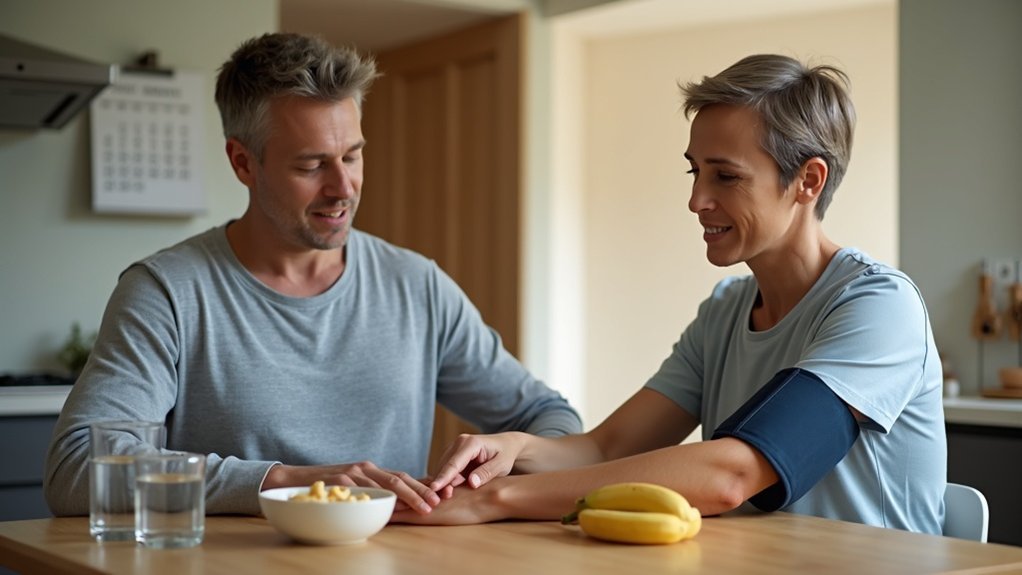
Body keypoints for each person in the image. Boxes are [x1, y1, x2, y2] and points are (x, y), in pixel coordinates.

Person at [394, 54, 947, 534]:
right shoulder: (726, 310)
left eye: (725, 177)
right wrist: (518, 449)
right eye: (694, 171)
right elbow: (608, 447)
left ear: (808, 181)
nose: (696, 200)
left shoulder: (879, 307)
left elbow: (735, 473)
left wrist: (499, 499)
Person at [43, 32, 581, 517]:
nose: (343, 187)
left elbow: (550, 416)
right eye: (311, 165)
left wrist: (499, 467)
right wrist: (283, 483)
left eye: (353, 155)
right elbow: (76, 469)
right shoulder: (166, 292)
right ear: (243, 163)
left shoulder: (418, 287)